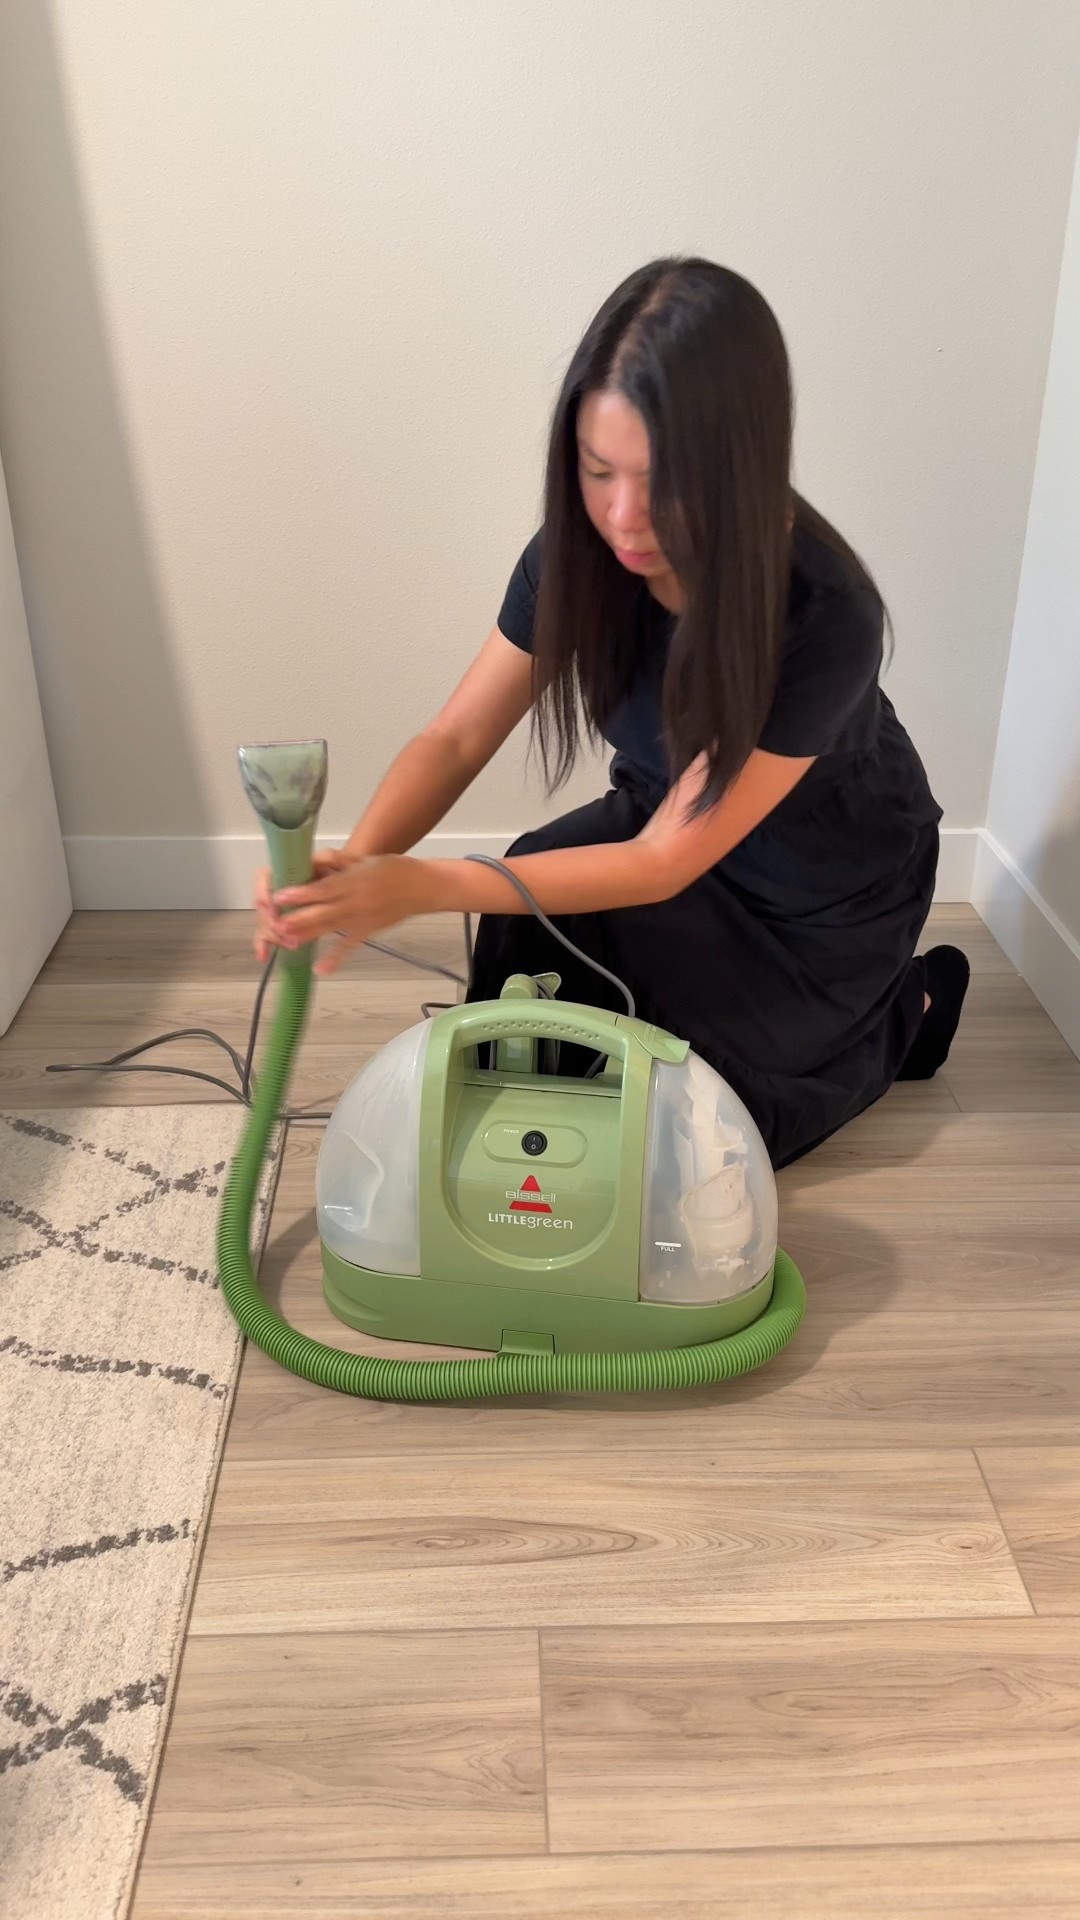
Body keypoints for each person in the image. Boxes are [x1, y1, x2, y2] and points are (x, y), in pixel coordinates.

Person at [255, 257, 969, 1168]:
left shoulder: (825, 614)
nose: (624, 517)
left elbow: (667, 861)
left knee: (699, 1132)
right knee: (525, 934)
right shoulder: (578, 554)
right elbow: (457, 737)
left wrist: (421, 885)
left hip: (818, 898)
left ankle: (906, 1008)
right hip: (662, 825)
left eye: (663, 480)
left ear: (740, 467)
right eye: (598, 471)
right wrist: (357, 867)